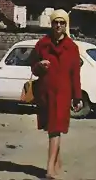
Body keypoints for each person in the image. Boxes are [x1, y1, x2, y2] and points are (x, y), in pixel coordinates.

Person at [30, 9, 82, 180]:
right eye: (55, 22)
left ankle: (49, 168)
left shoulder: (72, 48)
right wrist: (40, 65)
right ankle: (57, 162)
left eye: (62, 22)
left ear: (66, 25)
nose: (58, 25)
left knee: (55, 129)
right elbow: (33, 68)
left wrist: (77, 97)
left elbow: (75, 74)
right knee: (50, 128)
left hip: (63, 94)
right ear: (51, 24)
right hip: (45, 93)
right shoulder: (42, 44)